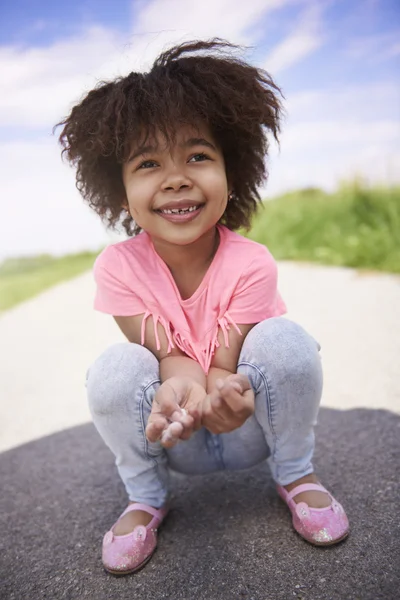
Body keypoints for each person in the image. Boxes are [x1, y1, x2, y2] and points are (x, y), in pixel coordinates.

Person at [55, 38, 349, 576]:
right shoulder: (118, 268)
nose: (176, 178)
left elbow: (225, 361)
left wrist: (225, 389)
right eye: (147, 163)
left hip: (249, 425)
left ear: (231, 171)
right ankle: (145, 497)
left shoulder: (252, 262)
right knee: (116, 368)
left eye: (198, 155)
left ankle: (296, 474)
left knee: (285, 339)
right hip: (173, 434)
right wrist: (185, 392)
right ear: (119, 193)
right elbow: (169, 357)